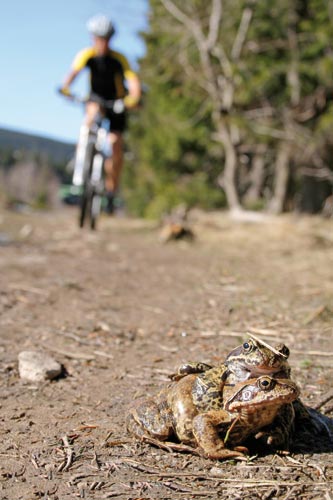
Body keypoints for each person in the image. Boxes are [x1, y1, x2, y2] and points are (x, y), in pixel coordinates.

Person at [60, 14, 141, 213]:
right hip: (96, 99)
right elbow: (72, 73)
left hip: (117, 103)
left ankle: (111, 190)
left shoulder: (119, 59)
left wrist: (133, 98)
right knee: (88, 122)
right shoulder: (87, 55)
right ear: (92, 38)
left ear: (110, 40)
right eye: (98, 38)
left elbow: (133, 81)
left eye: (105, 39)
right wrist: (66, 89)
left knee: (115, 143)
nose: (101, 43)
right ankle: (79, 173)